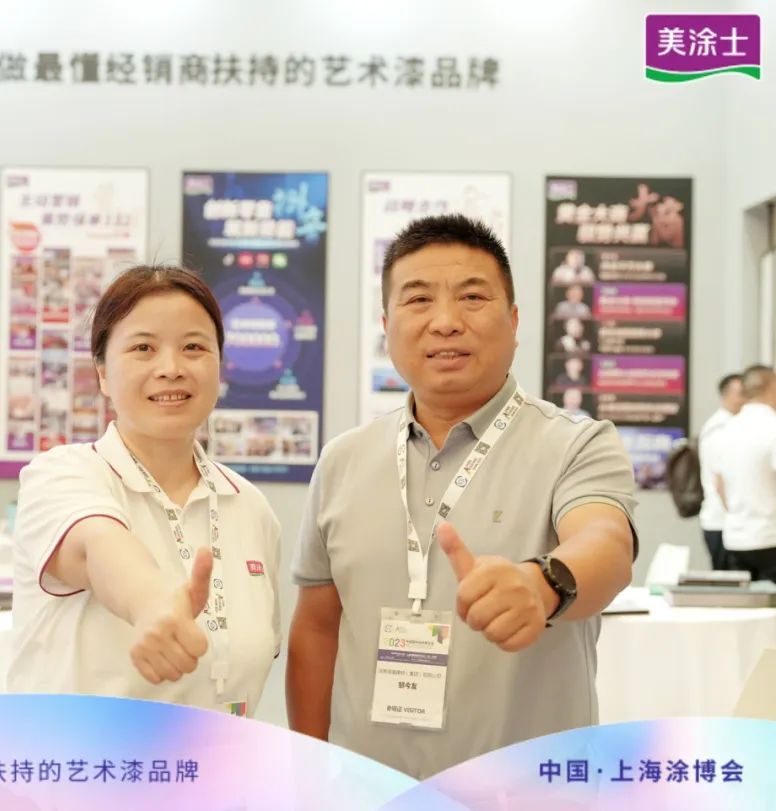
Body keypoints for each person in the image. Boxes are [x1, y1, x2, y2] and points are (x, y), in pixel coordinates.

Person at [287, 214, 636, 779]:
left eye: (472, 297)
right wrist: (307, 774)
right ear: (387, 325)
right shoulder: (343, 460)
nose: (446, 322)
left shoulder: (576, 444)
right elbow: (317, 628)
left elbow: (607, 543)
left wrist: (543, 584)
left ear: (514, 320)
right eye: (418, 300)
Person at [8, 265, 281, 717]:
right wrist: (152, 605)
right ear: (102, 373)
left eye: (193, 347)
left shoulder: (250, 505)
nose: (171, 369)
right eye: (143, 348)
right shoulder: (63, 474)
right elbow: (97, 546)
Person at [712, 365, 776, 582]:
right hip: (769, 536)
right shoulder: (772, 427)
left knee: (743, 602)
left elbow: (719, 485)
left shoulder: (727, 428)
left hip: (735, 538)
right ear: (772, 386)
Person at [697, 372, 745, 570]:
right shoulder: (720, 429)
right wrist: (738, 518)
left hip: (727, 523)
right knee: (729, 584)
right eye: (740, 393)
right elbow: (720, 481)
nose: (745, 398)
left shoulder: (734, 425)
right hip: (721, 523)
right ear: (725, 395)